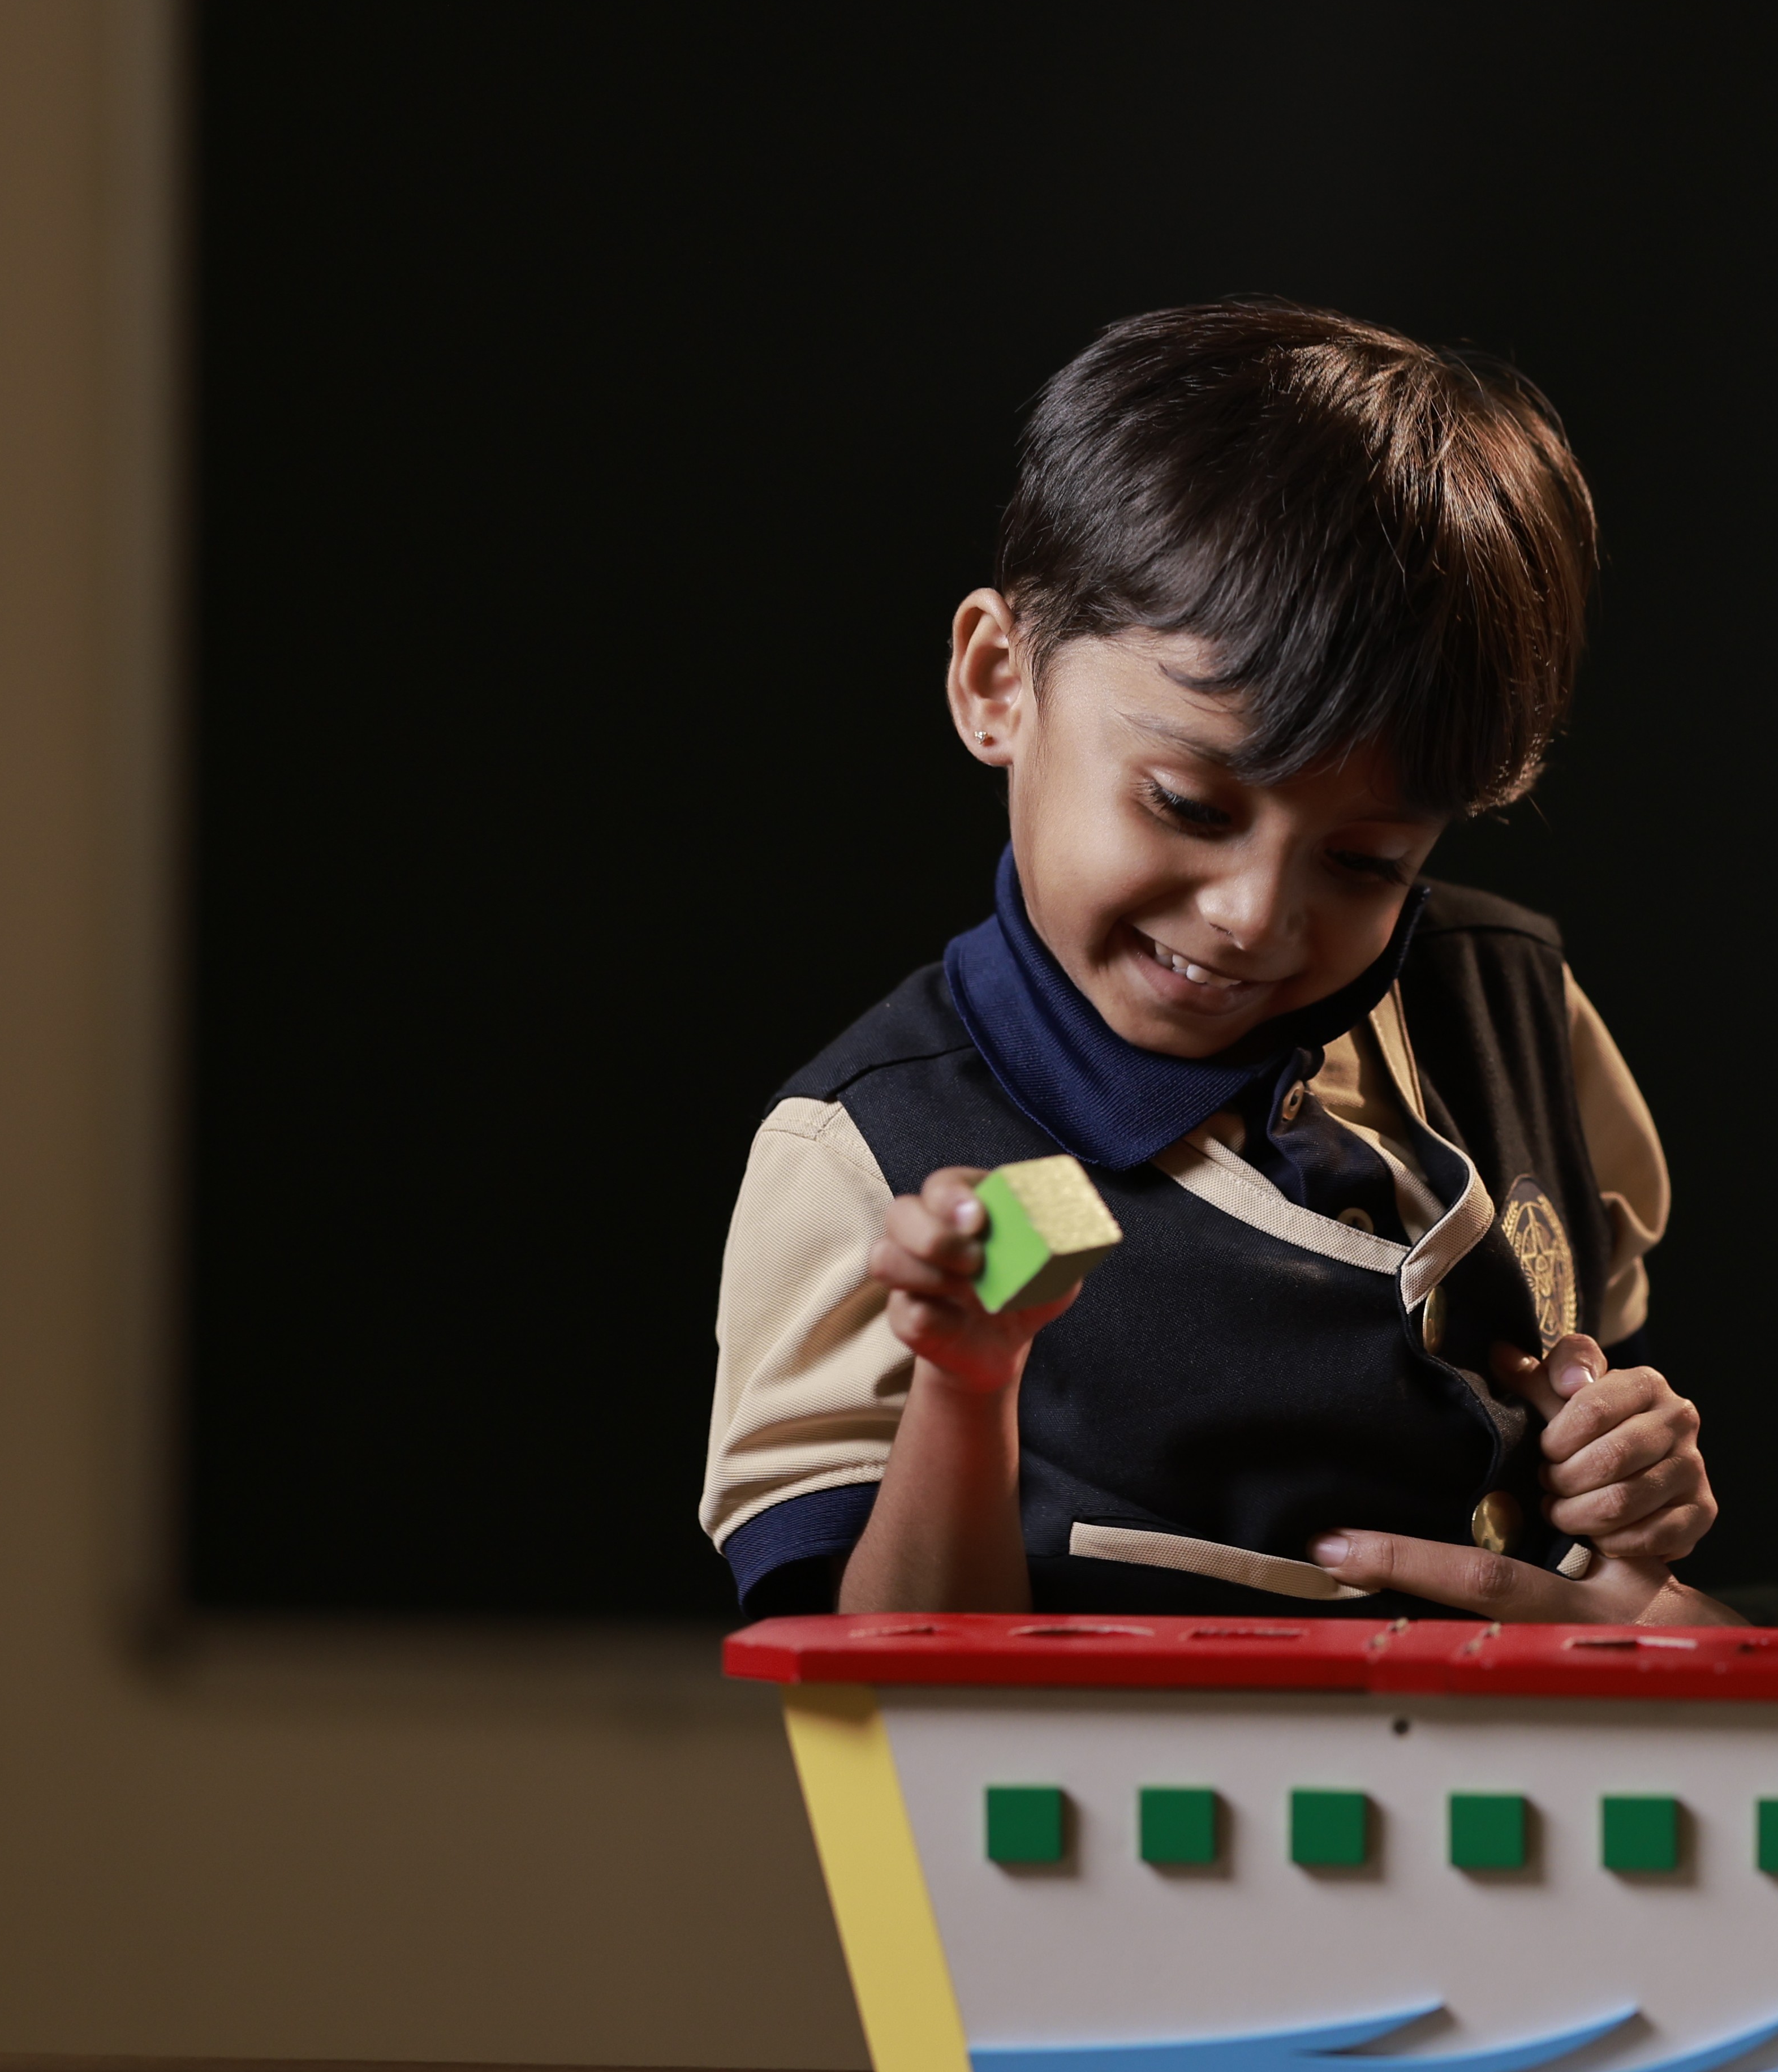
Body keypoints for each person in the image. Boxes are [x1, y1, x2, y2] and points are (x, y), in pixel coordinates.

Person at [699, 301, 1717, 1624]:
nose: (1253, 915)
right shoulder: (869, 1151)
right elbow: (886, 1700)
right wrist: (966, 1378)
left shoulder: (1515, 1005)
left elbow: (1616, 1494)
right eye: (1188, 803)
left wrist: (1628, 1475)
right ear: (999, 678)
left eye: (1366, 861)